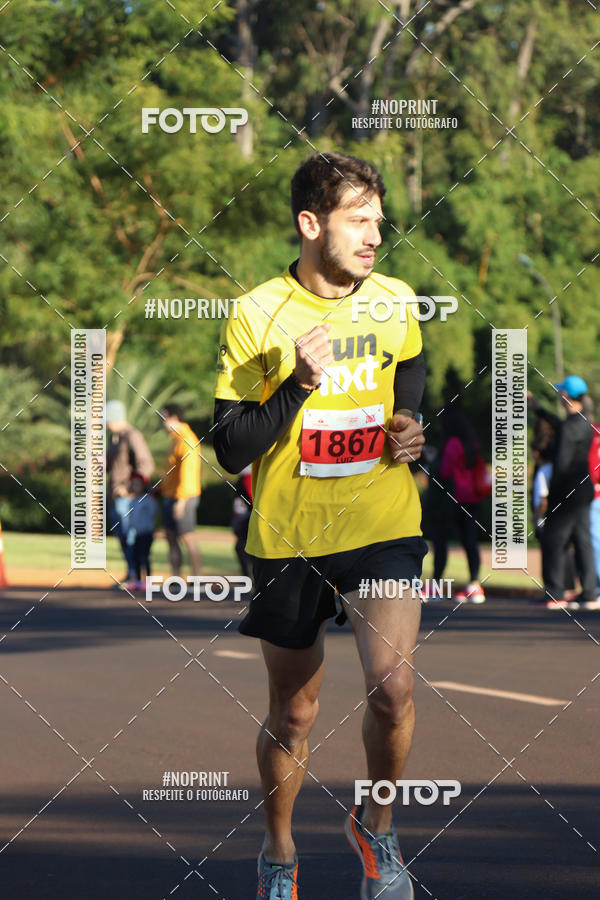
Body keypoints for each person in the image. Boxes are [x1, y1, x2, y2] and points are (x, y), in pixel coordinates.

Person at [213, 152, 427, 900]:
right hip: (290, 538)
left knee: (393, 686)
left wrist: (411, 427)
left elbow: (412, 379)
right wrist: (298, 386)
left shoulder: (397, 300)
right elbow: (231, 444)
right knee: (294, 714)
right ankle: (278, 851)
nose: (375, 235)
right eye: (358, 221)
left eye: (378, 220)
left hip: (381, 519)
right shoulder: (256, 313)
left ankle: (378, 826)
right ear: (311, 224)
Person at [528, 376, 599, 610]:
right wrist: (539, 409)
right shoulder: (584, 421)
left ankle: (555, 592)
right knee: (582, 541)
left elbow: (561, 464)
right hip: (583, 491)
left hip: (567, 492)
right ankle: (589, 593)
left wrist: (552, 496)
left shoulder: (570, 426)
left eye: (561, 393)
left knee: (553, 539)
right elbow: (561, 426)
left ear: (566, 396)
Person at [438, 405, 491, 603]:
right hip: (474, 496)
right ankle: (475, 583)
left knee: (441, 538)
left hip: (457, 496)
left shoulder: (452, 443)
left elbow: (444, 471)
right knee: (470, 540)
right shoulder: (472, 442)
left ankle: (436, 582)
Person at [106, 400, 154, 586]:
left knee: (133, 538)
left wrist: (130, 488)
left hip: (129, 501)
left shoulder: (132, 435)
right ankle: (131, 573)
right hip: (115, 497)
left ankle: (138, 577)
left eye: (108, 419)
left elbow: (146, 464)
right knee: (122, 538)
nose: (106, 424)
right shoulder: (114, 438)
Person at [160, 403, 202, 577]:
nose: (161, 422)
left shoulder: (187, 440)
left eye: (164, 417)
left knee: (187, 537)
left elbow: (188, 473)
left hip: (183, 497)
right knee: (171, 537)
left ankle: (197, 578)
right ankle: (176, 577)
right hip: (170, 496)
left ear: (174, 418)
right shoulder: (175, 439)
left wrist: (181, 500)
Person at [125, 472, 158, 591]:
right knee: (136, 557)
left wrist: (152, 496)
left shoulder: (147, 500)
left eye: (138, 485)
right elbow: (131, 519)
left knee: (145, 557)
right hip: (136, 534)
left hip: (146, 534)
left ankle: (148, 581)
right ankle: (138, 581)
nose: (136, 487)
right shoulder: (132, 501)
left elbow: (154, 511)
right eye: (134, 485)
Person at [231, 464, 253, 578]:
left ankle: (249, 577)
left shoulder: (248, 476)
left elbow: (253, 501)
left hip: (247, 518)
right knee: (241, 547)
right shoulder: (244, 477)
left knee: (242, 547)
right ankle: (248, 577)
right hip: (243, 517)